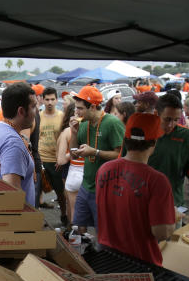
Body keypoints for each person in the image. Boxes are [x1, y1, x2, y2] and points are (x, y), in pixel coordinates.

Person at [95, 112, 173, 266]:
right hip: (141, 263)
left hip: (105, 257)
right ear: (154, 143)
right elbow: (162, 232)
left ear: (126, 139)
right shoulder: (157, 181)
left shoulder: (104, 169)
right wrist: (173, 217)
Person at [70, 85, 124, 232]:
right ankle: (82, 253)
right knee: (78, 227)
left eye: (80, 108)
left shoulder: (112, 123)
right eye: (76, 108)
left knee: (104, 233)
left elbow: (121, 155)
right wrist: (74, 133)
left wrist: (95, 152)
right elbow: (74, 152)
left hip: (106, 189)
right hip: (86, 185)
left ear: (93, 107)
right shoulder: (84, 124)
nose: (76, 112)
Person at [0, 83, 37, 207]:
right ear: (21, 111)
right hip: (18, 223)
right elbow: (11, 195)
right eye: (33, 107)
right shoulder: (13, 144)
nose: (36, 112)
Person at [148, 92, 189, 209]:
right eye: (167, 119)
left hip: (172, 201)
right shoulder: (143, 132)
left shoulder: (185, 135)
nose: (171, 124)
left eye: (176, 120)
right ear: (156, 114)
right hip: (143, 199)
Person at [38, 87, 67, 222]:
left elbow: (65, 138)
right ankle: (36, 219)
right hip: (42, 160)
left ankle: (64, 215)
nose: (49, 102)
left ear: (56, 100)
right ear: (43, 100)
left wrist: (62, 158)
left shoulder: (62, 116)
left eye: (52, 99)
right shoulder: (38, 116)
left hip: (56, 160)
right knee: (36, 192)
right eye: (47, 99)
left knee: (60, 192)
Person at [57, 103, 80, 228]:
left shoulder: (67, 131)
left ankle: (73, 233)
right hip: (74, 170)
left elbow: (60, 159)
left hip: (73, 171)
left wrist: (71, 154)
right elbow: (60, 159)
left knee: (73, 206)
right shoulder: (68, 131)